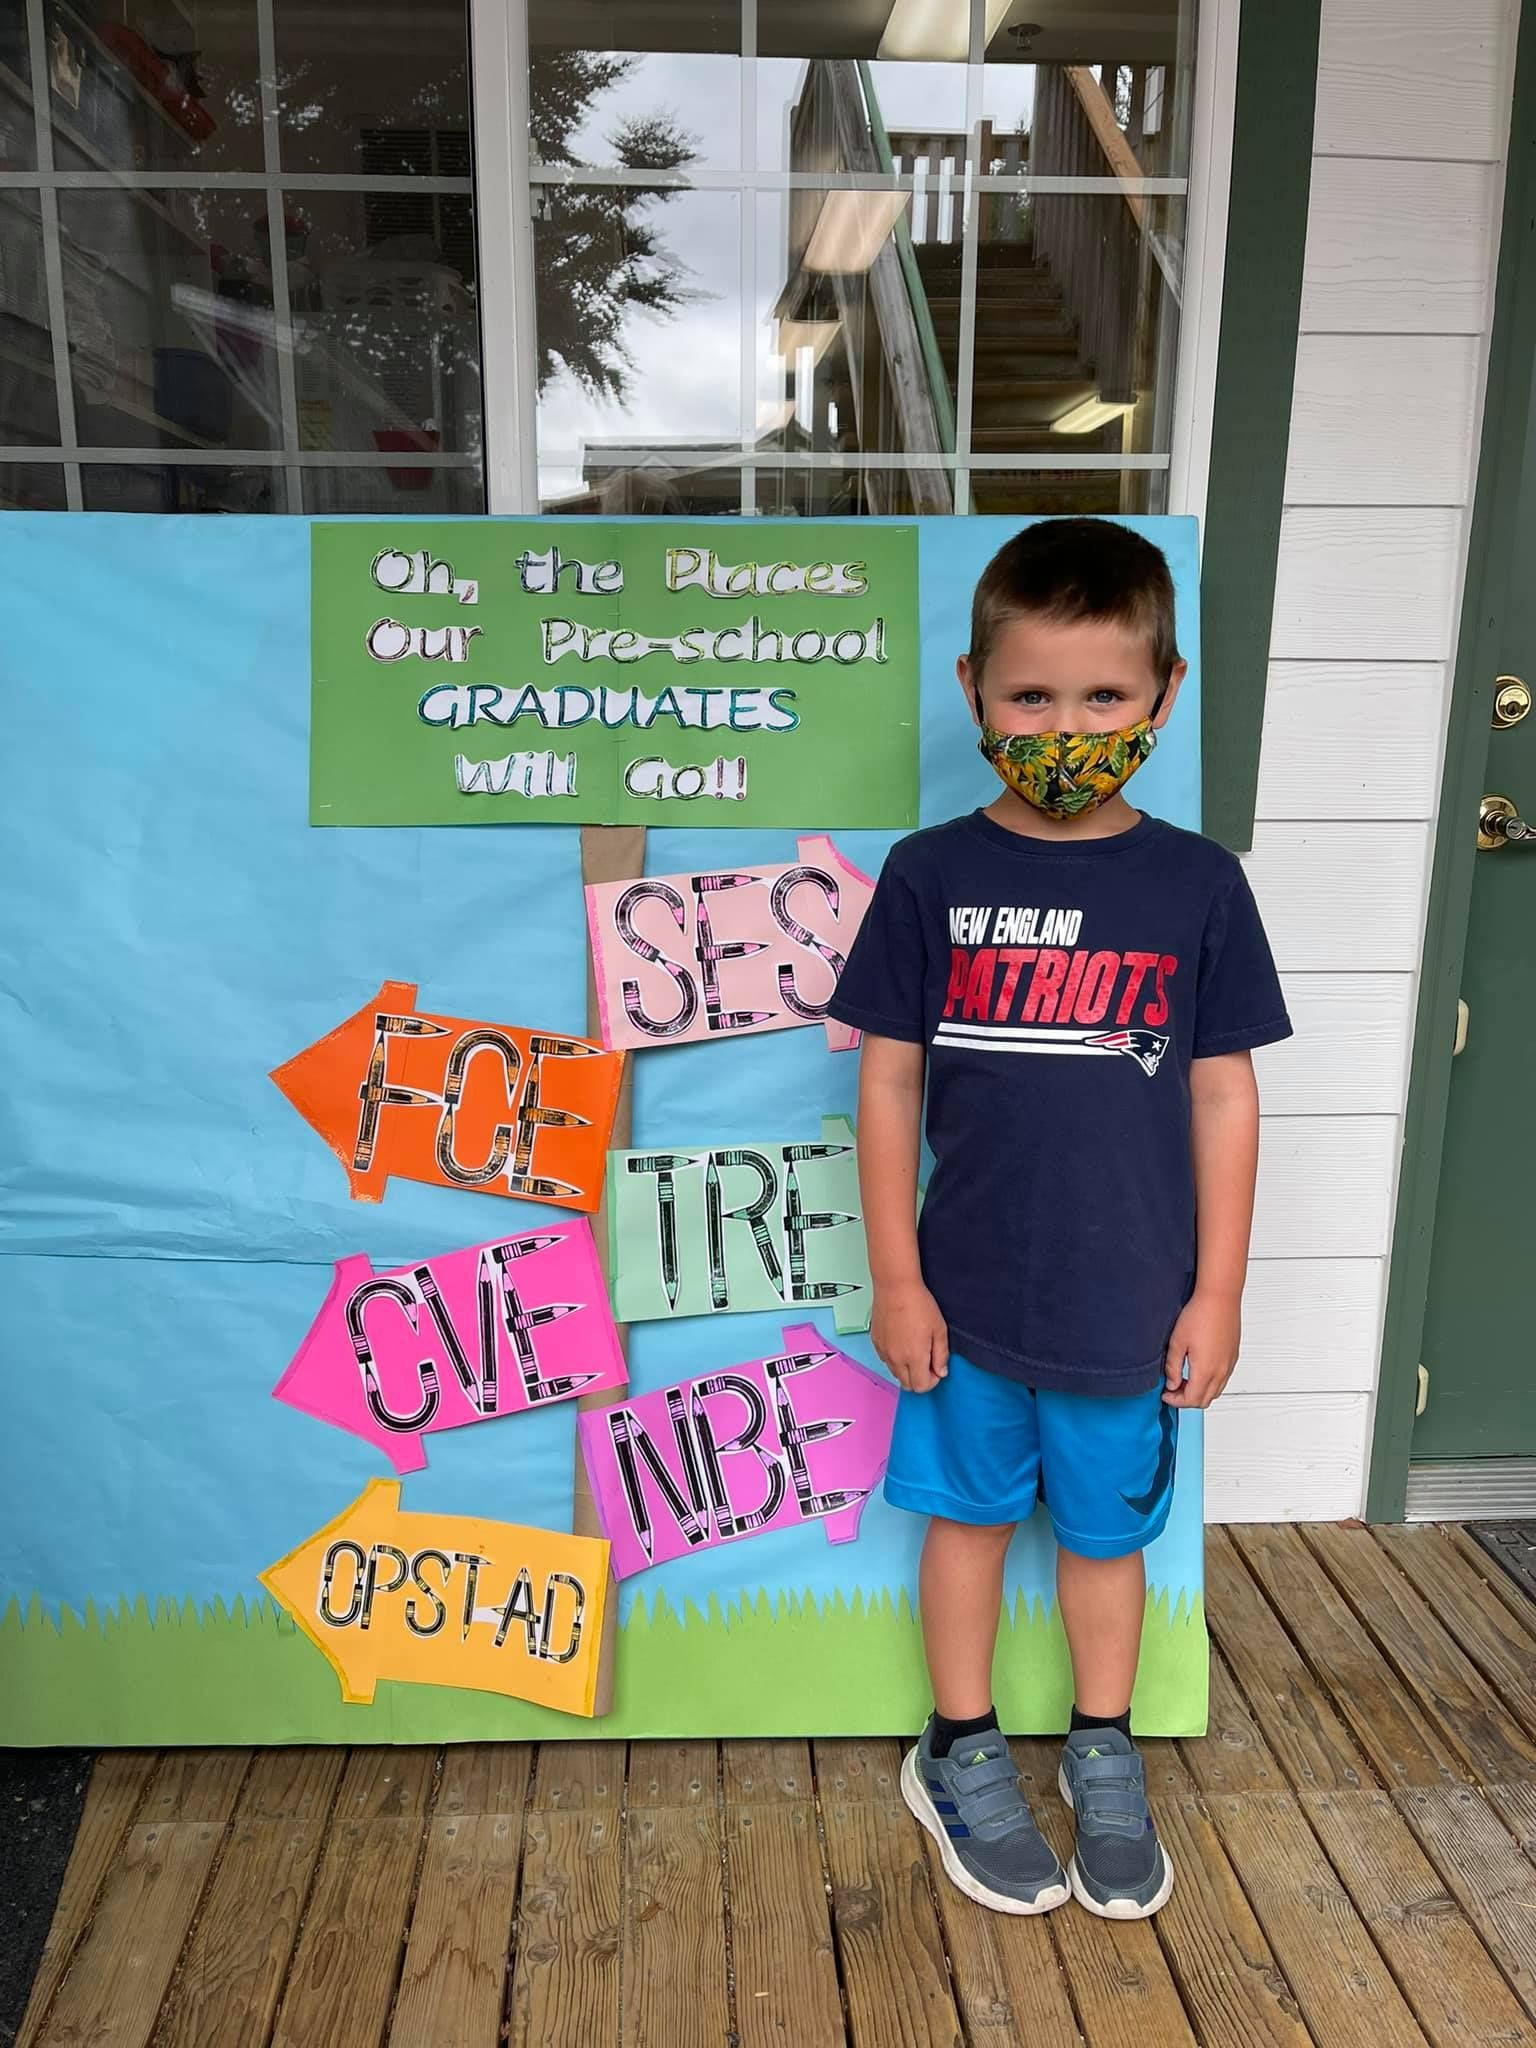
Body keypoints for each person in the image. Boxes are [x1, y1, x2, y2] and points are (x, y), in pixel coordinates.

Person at [826, 517, 1291, 1921]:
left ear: (1166, 693)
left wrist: (1217, 1294)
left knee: (1106, 1535)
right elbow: (889, 1086)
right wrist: (897, 1280)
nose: (1066, 727)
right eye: (1032, 696)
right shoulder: (928, 875)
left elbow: (1225, 1100)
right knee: (965, 1521)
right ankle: (959, 1749)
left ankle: (1105, 1747)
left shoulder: (1199, 887)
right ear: (972, 689)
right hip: (965, 1298)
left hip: (1130, 1302)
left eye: (1104, 697)